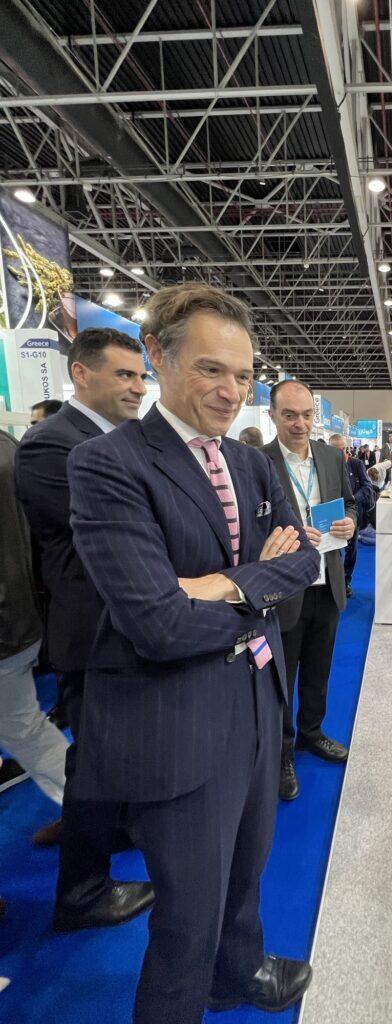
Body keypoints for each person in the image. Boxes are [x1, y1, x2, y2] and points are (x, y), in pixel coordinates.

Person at [67, 283, 320, 1022]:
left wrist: (219, 585)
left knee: (248, 867)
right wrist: (256, 585)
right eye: (212, 369)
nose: (231, 391)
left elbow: (304, 559)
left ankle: (236, 972)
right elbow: (158, 624)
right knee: (187, 912)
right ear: (158, 355)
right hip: (176, 715)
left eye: (243, 375)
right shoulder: (108, 464)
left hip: (257, 703)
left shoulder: (250, 463)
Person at [15, 328, 153, 927]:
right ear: (81, 374)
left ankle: (108, 830)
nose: (138, 387)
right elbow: (119, 529)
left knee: (117, 756)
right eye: (124, 374)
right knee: (93, 763)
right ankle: (82, 895)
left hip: (125, 626)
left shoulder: (121, 439)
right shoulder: (51, 444)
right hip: (91, 631)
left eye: (141, 376)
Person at [263, 382, 357, 802]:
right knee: (282, 678)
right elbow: (248, 524)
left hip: (327, 581)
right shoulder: (256, 461)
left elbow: (351, 502)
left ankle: (312, 733)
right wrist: (285, 535)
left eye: (306, 415)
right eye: (289, 415)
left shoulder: (331, 456)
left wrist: (351, 521)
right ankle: (281, 753)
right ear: (273, 415)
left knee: (320, 668)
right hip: (284, 590)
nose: (299, 424)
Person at [0, 429, 68, 808]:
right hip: (22, 616)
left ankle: (95, 810)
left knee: (25, 728)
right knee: (25, 725)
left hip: (9, 628)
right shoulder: (11, 448)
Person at [329, 432, 373, 597]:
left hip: (352, 514)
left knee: (351, 549)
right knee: (332, 549)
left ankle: (346, 580)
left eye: (342, 449)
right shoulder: (325, 465)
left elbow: (367, 487)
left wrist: (353, 499)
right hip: (331, 514)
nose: (340, 453)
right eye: (336, 450)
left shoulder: (356, 464)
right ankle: (333, 582)